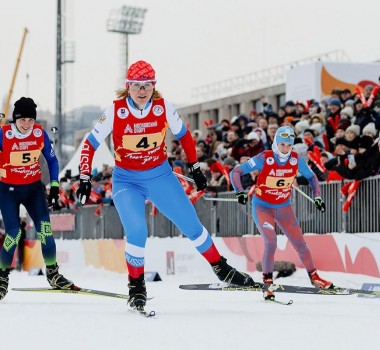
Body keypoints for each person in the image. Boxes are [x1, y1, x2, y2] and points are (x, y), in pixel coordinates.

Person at [75, 60, 254, 312]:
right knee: (137, 231)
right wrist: (85, 177)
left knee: (192, 225)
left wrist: (194, 167)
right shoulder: (116, 110)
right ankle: (136, 288)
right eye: (136, 86)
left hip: (160, 177)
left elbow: (185, 136)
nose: (141, 90)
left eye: (147, 85)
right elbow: (89, 143)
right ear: (128, 87)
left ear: (153, 86)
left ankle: (222, 269)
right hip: (127, 180)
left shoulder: (163, 108)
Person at [230, 126, 331, 300]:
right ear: (276, 143)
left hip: (284, 208)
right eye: (282, 144)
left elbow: (312, 177)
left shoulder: (295, 160)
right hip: (263, 207)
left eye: (288, 145)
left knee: (301, 244)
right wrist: (239, 191)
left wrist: (318, 197)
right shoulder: (265, 158)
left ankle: (315, 277)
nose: (285, 149)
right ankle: (267, 284)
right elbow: (236, 172)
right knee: (271, 241)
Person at [0, 97, 76, 300]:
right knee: (14, 233)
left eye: (30, 120)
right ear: (14, 119)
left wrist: (53, 186)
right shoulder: (3, 135)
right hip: (7, 191)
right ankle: (2, 276)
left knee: (45, 231)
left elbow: (52, 160)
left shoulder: (39, 133)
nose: (26, 124)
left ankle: (53, 274)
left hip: (33, 190)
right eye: (22, 120)